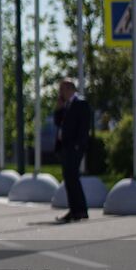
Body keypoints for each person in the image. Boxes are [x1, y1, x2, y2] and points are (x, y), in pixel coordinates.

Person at [54, 79, 91, 224]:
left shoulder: (80, 103)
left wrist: (78, 145)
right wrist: (59, 108)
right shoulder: (66, 105)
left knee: (73, 178)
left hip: (74, 148)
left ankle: (80, 210)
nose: (60, 93)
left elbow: (84, 126)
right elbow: (58, 123)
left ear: (70, 89)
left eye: (62, 90)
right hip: (65, 147)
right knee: (69, 179)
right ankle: (74, 210)